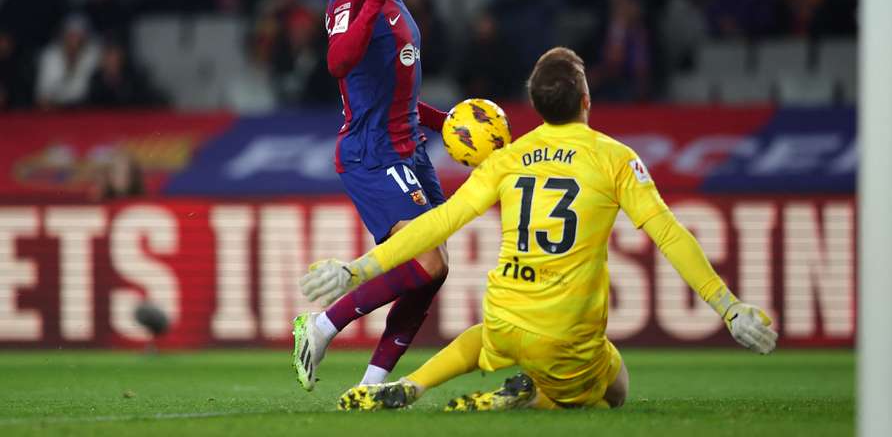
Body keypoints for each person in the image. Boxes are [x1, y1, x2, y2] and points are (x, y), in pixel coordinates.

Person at [301, 47, 778, 412]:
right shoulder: (614, 158)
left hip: (506, 318)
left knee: (484, 337)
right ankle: (537, 397)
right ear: (586, 100)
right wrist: (728, 307)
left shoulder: (507, 159)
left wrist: (357, 267)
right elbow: (670, 236)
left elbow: (439, 223)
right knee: (616, 387)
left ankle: (416, 383)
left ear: (535, 104)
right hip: (566, 331)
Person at [291, 0, 452, 392]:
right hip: (372, 153)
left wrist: (447, 124)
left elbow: (394, 94)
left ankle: (372, 384)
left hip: (410, 151)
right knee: (425, 261)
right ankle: (322, 324)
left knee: (435, 270)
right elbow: (338, 63)